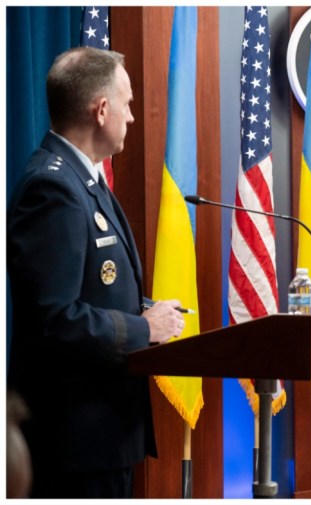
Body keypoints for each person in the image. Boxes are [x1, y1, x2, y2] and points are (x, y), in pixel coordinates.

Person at [7, 46, 185, 498]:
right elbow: (53, 318)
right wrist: (143, 327)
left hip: (101, 433)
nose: (131, 116)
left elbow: (90, 284)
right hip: (75, 441)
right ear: (101, 109)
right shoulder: (54, 187)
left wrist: (144, 309)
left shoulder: (78, 177)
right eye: (126, 104)